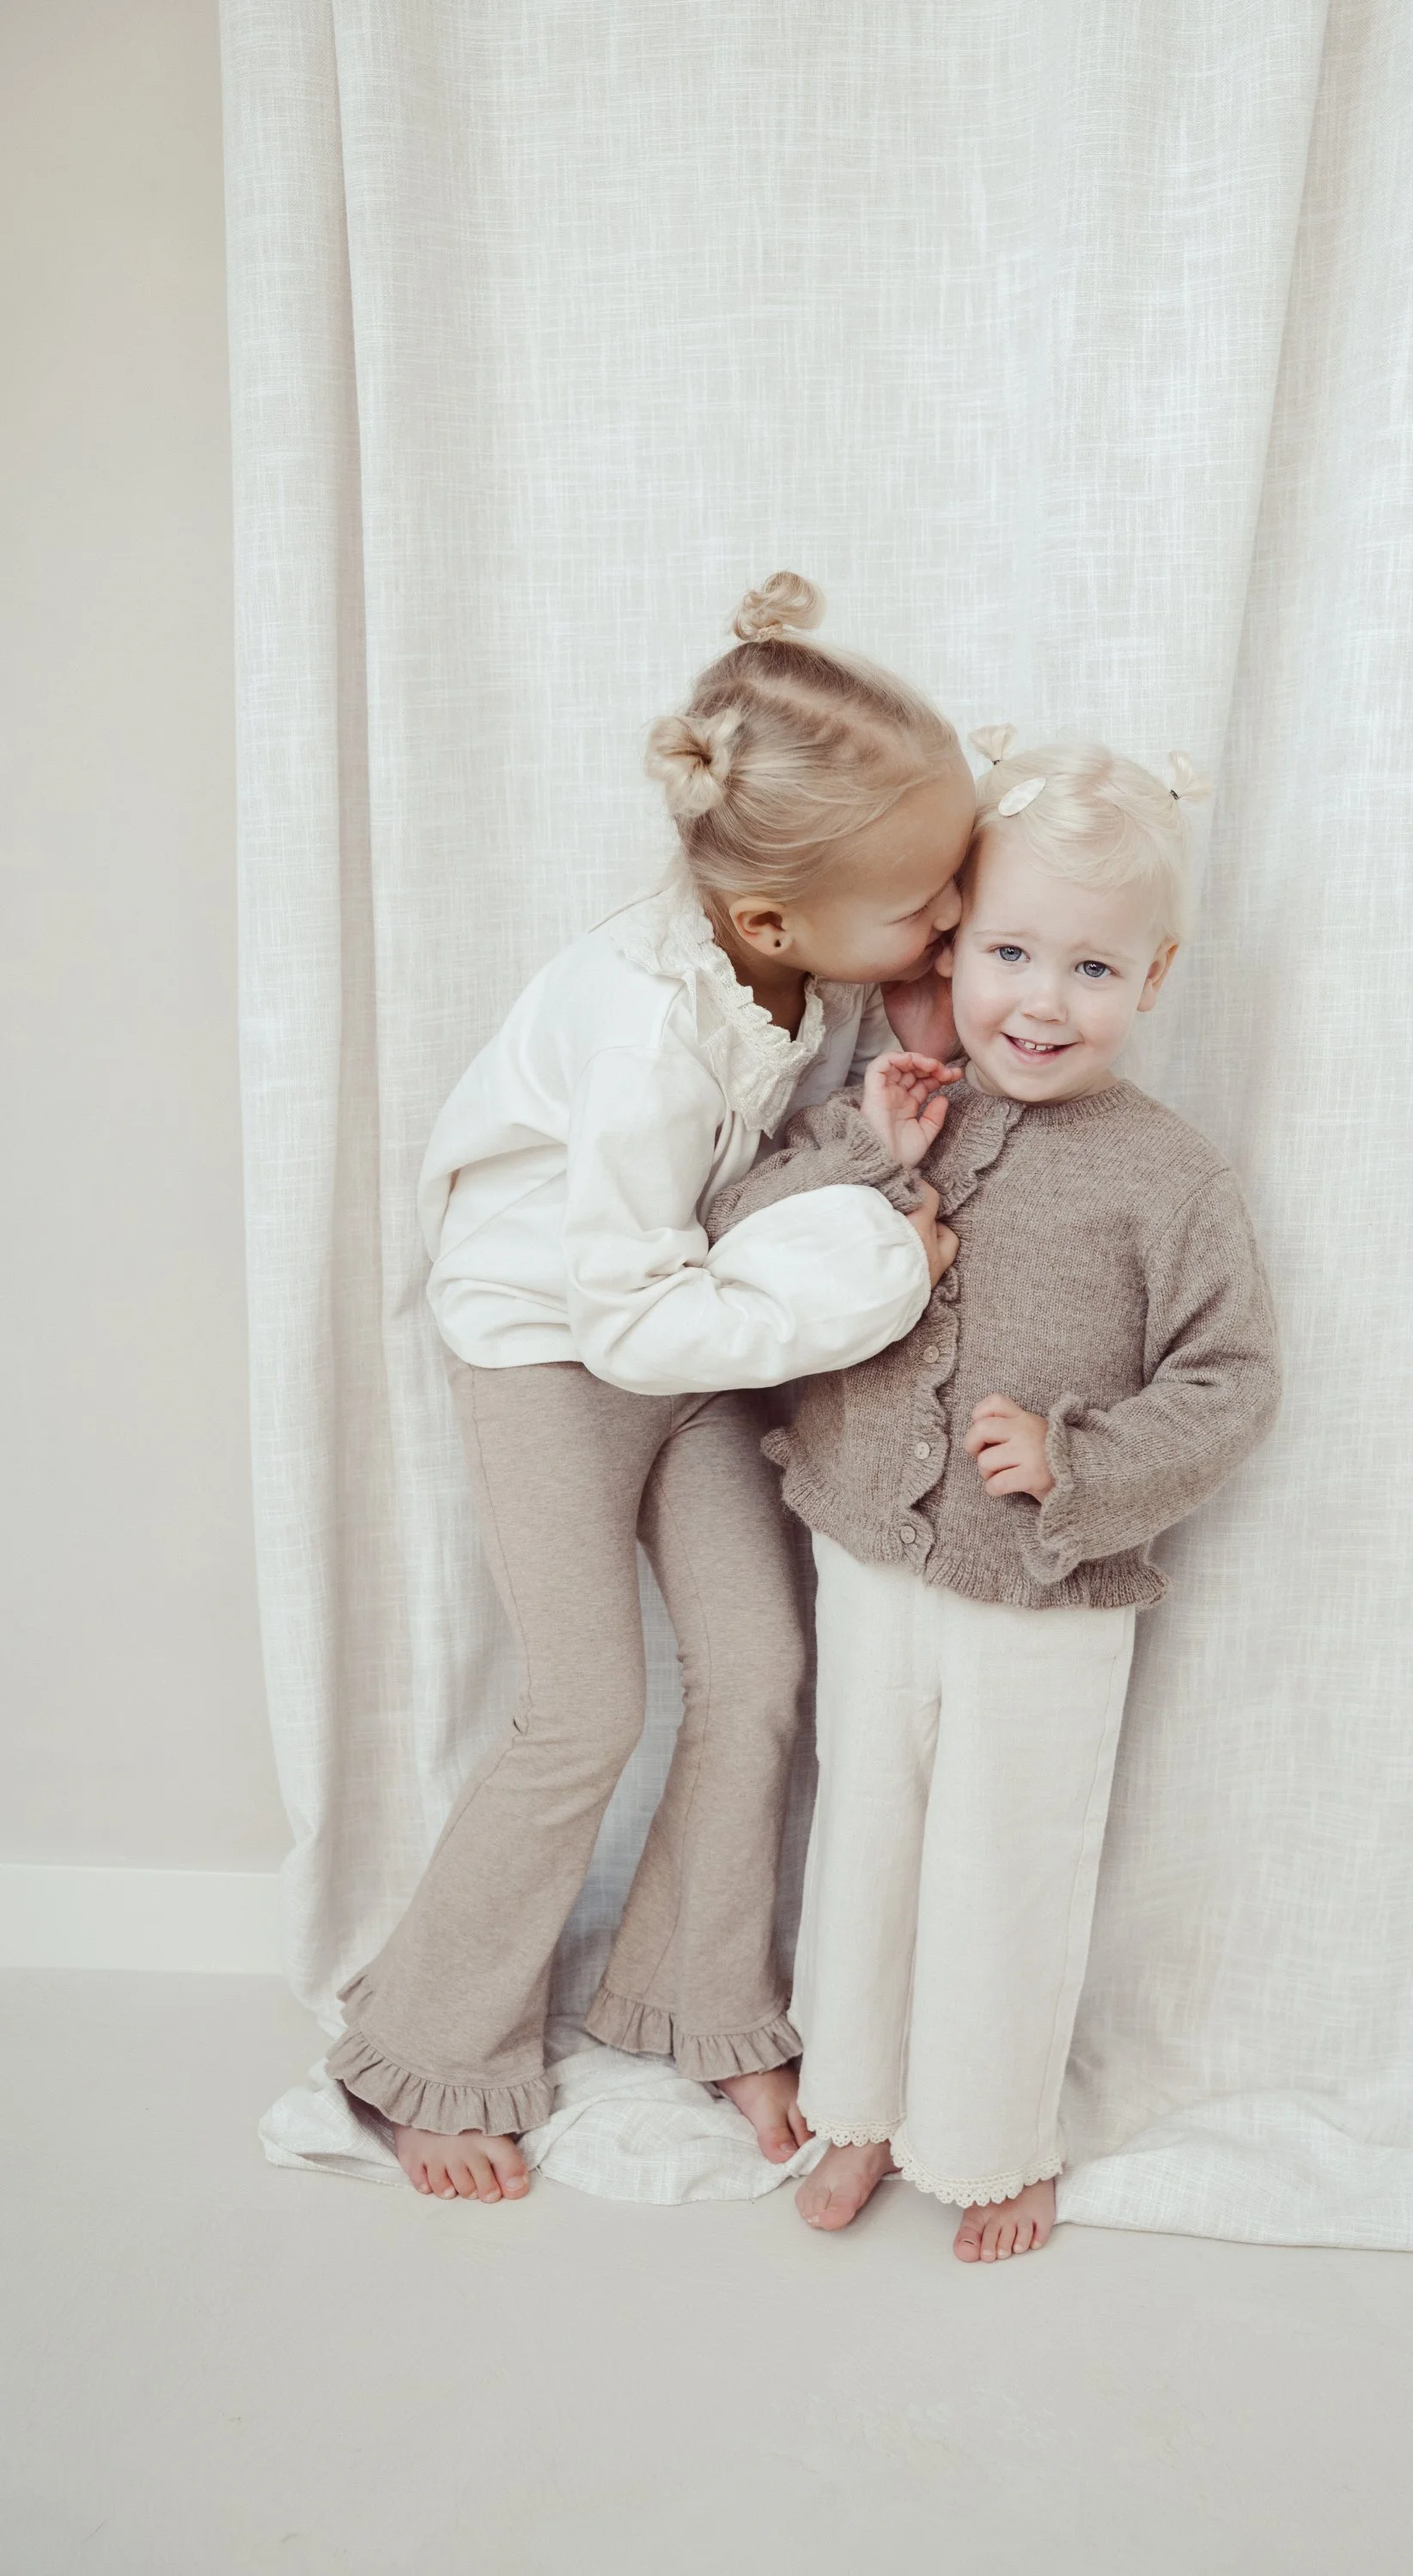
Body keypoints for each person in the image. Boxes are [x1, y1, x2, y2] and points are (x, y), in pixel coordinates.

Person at [327, 574, 970, 2204]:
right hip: (557, 1347)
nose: (952, 922)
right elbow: (624, 1318)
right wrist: (882, 1270)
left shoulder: (795, 968)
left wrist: (860, 1141)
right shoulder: (644, 1028)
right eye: (927, 906)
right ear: (774, 921)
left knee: (758, 1669)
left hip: (688, 1327)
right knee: (585, 1712)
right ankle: (424, 2046)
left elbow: (728, 1204)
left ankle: (699, 2002)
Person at [705, 728, 1282, 2260]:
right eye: (1013, 953)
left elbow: (1233, 1380)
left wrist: (1081, 1462)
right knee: (867, 1839)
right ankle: (856, 2105)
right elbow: (744, 1242)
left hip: (1044, 1584)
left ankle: (991, 2137)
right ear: (952, 946)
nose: (1042, 1000)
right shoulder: (899, 1102)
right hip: (871, 1553)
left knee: (1006, 1863)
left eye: (1092, 969)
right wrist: (864, 1152)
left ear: (1154, 979)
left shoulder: (1167, 1176)